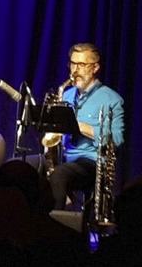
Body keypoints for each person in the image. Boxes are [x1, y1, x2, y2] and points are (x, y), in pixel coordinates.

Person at [48, 43, 124, 210]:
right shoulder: (66, 95)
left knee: (59, 174)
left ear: (95, 67)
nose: (75, 70)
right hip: (65, 159)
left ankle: (55, 228)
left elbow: (117, 140)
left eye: (81, 65)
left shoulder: (112, 99)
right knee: (20, 168)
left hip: (91, 163)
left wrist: (80, 127)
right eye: (72, 63)